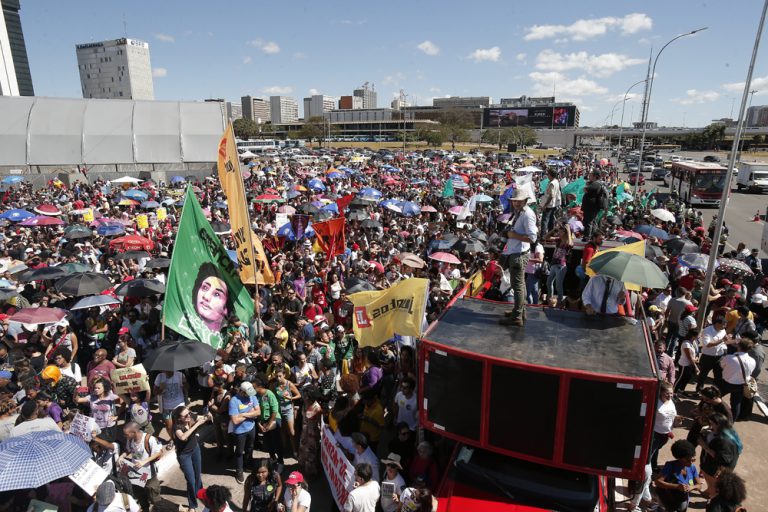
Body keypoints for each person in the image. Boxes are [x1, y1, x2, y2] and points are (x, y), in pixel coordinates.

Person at [500, 188, 538, 327]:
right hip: (516, 251)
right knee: (520, 285)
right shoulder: (520, 212)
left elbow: (532, 238)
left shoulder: (527, 214)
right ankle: (520, 311)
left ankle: (517, 316)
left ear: (525, 201)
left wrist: (512, 235)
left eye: (519, 201)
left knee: (518, 286)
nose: (516, 203)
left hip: (519, 254)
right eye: (514, 201)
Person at [173, 406, 211, 512]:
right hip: (184, 455)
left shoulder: (190, 417)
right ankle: (192, 505)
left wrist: (207, 416)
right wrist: (197, 424)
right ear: (179, 418)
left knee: (198, 475)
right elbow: (183, 437)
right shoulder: (177, 427)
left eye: (189, 413)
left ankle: (200, 493)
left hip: (195, 449)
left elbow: (203, 417)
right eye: (185, 415)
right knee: (191, 480)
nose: (189, 415)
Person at [119, 421, 163, 511]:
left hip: (149, 473)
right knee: (140, 495)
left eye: (126, 434)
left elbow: (159, 452)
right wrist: (122, 456)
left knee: (154, 495)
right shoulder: (130, 440)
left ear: (134, 432)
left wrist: (144, 461)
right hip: (135, 473)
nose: (125, 436)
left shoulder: (149, 439)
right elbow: (129, 450)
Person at [698, 413, 742, 498]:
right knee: (712, 484)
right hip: (717, 467)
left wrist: (704, 446)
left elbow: (723, 458)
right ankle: (708, 492)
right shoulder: (729, 432)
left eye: (712, 424)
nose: (710, 426)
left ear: (718, 425)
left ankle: (712, 496)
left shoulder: (725, 441)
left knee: (714, 487)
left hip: (714, 469)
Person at [653, 440, 702, 512]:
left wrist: (692, 487)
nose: (691, 462)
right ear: (679, 458)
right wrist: (677, 486)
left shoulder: (692, 468)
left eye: (693, 459)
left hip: (683, 500)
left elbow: (699, 485)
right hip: (668, 500)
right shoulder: (670, 466)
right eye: (688, 460)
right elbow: (657, 482)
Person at [229, 381, 261, 484]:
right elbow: (235, 421)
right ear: (242, 392)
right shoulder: (234, 401)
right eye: (247, 394)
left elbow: (258, 412)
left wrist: (243, 414)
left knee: (250, 448)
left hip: (251, 428)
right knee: (239, 452)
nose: (250, 396)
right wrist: (251, 413)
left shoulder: (252, 396)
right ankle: (239, 471)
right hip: (239, 431)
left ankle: (248, 464)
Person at [718, 338, 757, 421]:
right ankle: (731, 422)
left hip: (726, 383)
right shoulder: (752, 361)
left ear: (738, 346)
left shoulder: (729, 357)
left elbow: (721, 365)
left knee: (713, 396)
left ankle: (703, 411)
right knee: (736, 405)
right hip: (741, 385)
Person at [194, 262, 233, 333]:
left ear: (226, 308)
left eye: (217, 294)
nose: (206, 297)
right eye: (205, 287)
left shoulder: (230, 335)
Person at [253, 376, 283, 466]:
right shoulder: (255, 396)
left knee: (276, 441)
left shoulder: (269, 394)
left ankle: (280, 461)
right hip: (263, 421)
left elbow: (274, 410)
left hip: (273, 419)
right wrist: (259, 424)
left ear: (259, 387)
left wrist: (269, 424)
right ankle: (273, 459)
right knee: (268, 442)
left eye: (253, 387)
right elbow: (255, 411)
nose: (252, 390)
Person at [272, 368, 301, 458]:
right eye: (276, 376)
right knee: (282, 430)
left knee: (291, 432)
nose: (278, 378)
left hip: (288, 410)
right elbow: (274, 397)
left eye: (280, 376)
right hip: (279, 410)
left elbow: (299, 395)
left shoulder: (289, 384)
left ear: (284, 375)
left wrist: (290, 398)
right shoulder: (275, 385)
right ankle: (283, 449)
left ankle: (295, 451)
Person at [154, 369, 188, 442]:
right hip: (166, 407)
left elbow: (187, 388)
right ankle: (174, 440)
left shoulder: (180, 375)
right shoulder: (160, 377)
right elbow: (155, 392)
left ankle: (184, 440)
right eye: (165, 370)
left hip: (179, 405)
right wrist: (161, 389)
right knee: (169, 427)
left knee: (182, 425)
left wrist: (185, 383)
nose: (168, 372)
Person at [650, 382, 677, 470]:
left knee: (656, 449)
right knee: (651, 452)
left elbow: (672, 416)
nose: (670, 396)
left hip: (666, 433)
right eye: (667, 393)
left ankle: (654, 466)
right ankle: (646, 471)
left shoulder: (671, 402)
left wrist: (677, 420)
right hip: (655, 433)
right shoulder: (656, 403)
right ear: (661, 392)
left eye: (671, 393)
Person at [697, 317, 728, 392]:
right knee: (703, 374)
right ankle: (699, 390)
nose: (724, 327)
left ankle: (714, 391)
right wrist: (721, 340)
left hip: (719, 357)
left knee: (718, 376)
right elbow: (707, 344)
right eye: (723, 325)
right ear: (717, 324)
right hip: (708, 357)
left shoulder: (723, 330)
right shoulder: (707, 331)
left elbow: (724, 343)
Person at [674, 328, 700, 395]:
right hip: (684, 364)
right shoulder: (686, 344)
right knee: (680, 378)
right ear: (693, 336)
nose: (699, 336)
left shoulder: (694, 342)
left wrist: (696, 357)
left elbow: (695, 353)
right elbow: (689, 357)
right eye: (698, 335)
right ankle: (674, 393)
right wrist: (696, 367)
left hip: (690, 364)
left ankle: (681, 390)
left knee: (687, 378)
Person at [539, 168, 562, 235]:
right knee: (551, 220)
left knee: (545, 220)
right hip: (553, 204)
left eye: (548, 174)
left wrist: (545, 205)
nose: (547, 175)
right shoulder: (556, 181)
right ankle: (550, 233)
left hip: (549, 204)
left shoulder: (552, 183)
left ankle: (543, 235)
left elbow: (551, 196)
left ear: (550, 175)